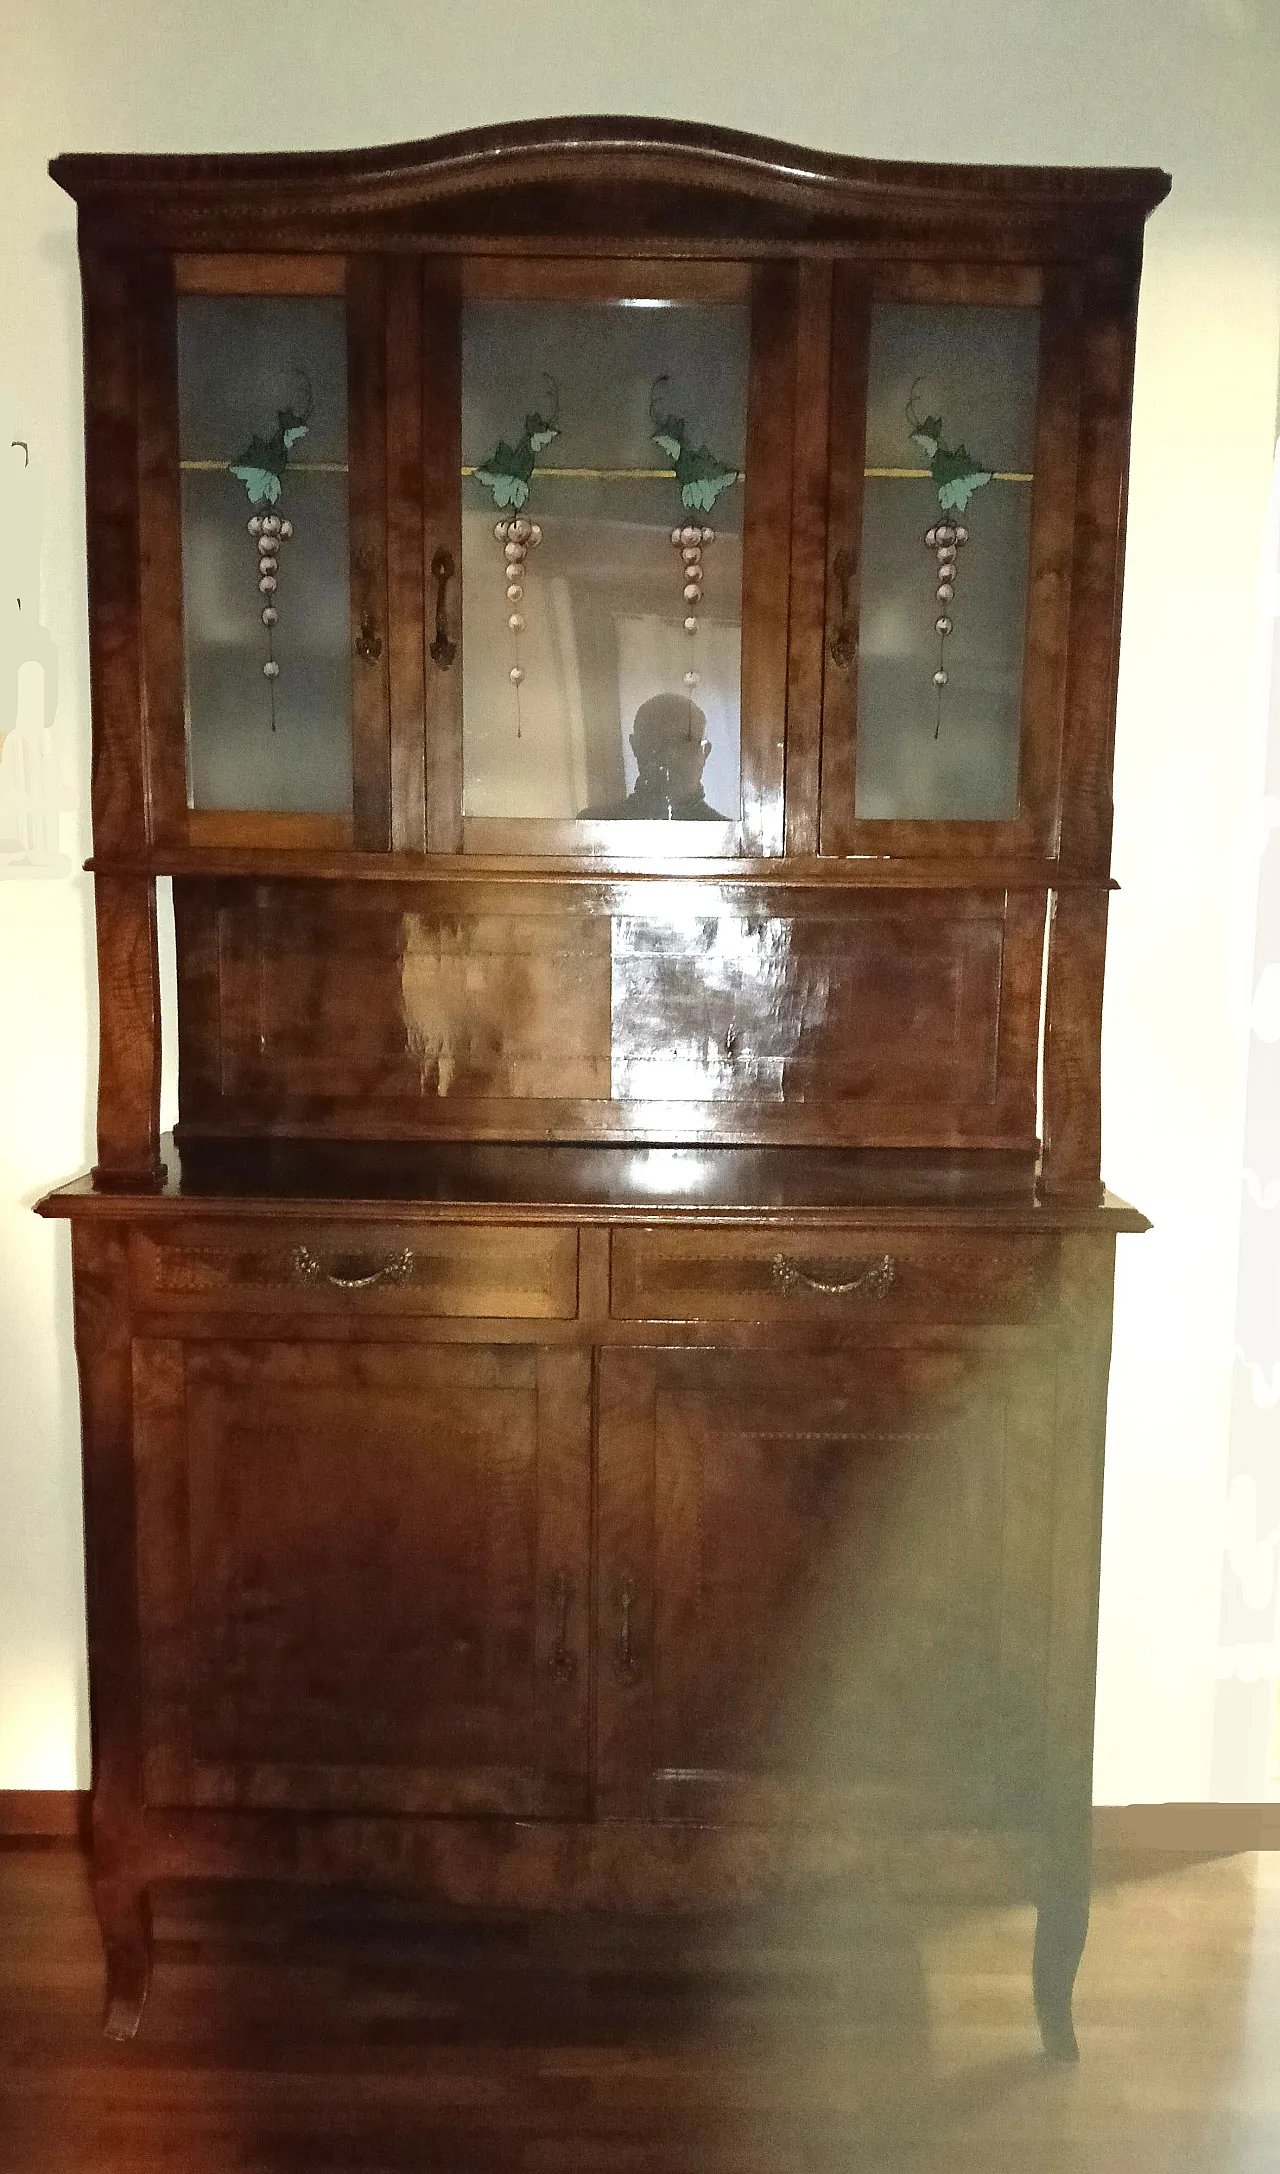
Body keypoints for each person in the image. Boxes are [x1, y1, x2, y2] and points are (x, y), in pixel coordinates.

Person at [580, 692, 727, 821]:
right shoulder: (592, 826)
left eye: (683, 744)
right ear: (635, 746)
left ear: (704, 751)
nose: (669, 755)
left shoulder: (731, 840)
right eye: (656, 741)